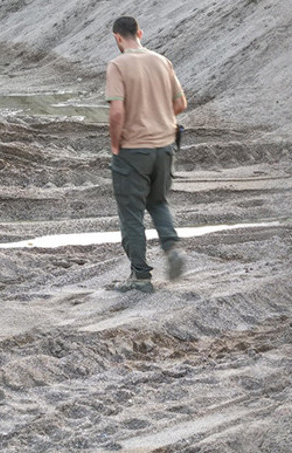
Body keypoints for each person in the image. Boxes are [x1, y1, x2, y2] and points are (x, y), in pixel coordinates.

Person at [106, 16, 188, 293]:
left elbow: (116, 112)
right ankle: (172, 247)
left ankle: (140, 276)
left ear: (117, 38)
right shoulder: (162, 61)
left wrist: (116, 144)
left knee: (131, 213)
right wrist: (160, 119)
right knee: (158, 202)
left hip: (133, 150)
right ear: (140, 32)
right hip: (165, 147)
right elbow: (181, 103)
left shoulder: (117, 65)